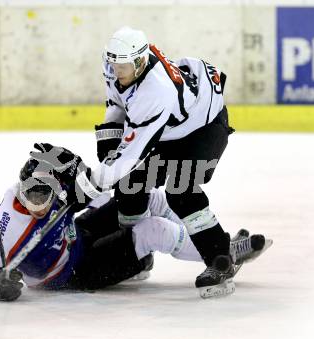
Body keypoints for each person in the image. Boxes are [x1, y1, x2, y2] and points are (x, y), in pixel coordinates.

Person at [30, 26, 238, 295]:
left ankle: (220, 260)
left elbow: (130, 155)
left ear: (140, 62)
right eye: (114, 64)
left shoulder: (156, 92)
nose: (117, 71)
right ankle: (136, 255)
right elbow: (117, 104)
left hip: (204, 129)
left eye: (124, 66)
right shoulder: (120, 65)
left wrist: (87, 186)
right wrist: (107, 150)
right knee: (129, 186)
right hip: (173, 126)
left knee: (181, 189)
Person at [0, 157, 271, 301]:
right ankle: (221, 258)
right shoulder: (6, 229)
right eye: (32, 196)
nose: (39, 203)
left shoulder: (54, 184)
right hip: (73, 273)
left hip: (77, 235)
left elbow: (94, 194)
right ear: (20, 189)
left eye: (44, 196)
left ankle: (215, 245)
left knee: (146, 199)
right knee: (154, 230)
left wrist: (118, 201)